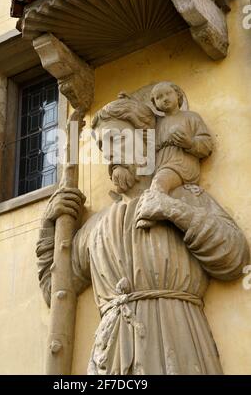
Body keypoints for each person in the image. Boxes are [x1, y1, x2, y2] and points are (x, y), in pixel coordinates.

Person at [36, 95, 249, 375]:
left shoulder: (186, 197)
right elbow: (57, 291)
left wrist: (172, 210)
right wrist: (49, 229)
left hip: (177, 341)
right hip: (111, 357)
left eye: (117, 140)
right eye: (102, 146)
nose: (109, 154)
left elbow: (235, 257)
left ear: (147, 141)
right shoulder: (95, 227)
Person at [137, 81, 213, 228]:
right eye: (159, 97)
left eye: (168, 94)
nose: (164, 98)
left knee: (159, 182)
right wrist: (128, 101)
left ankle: (149, 212)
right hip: (162, 167)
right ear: (155, 104)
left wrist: (190, 143)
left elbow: (207, 144)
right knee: (154, 180)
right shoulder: (157, 124)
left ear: (177, 95)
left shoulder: (191, 117)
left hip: (182, 165)